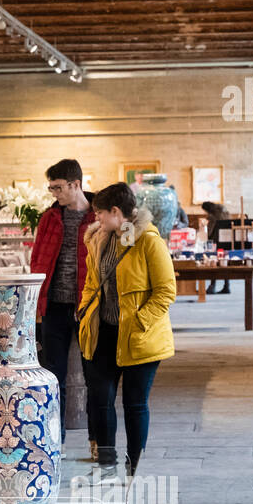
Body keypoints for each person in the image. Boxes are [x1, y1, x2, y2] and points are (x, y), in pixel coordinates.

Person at [78, 182, 175, 472]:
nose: (96, 219)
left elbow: (166, 290)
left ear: (116, 212)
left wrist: (141, 321)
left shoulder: (148, 241)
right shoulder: (100, 239)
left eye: (100, 214)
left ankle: (135, 465)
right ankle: (107, 462)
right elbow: (92, 283)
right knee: (100, 399)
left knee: (134, 404)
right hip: (103, 332)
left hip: (139, 336)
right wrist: (84, 311)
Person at [28, 158, 96, 455]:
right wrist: (35, 304)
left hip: (88, 305)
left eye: (58, 188)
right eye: (51, 187)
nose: (54, 193)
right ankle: (57, 440)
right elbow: (37, 262)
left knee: (94, 374)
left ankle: (98, 440)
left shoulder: (98, 216)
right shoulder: (48, 218)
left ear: (75, 184)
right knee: (53, 375)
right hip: (54, 306)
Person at [200, 200, 231, 294]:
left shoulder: (212, 216)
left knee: (214, 263)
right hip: (227, 240)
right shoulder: (224, 211)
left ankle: (212, 286)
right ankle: (226, 286)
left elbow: (209, 232)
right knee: (225, 264)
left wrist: (204, 232)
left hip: (216, 243)